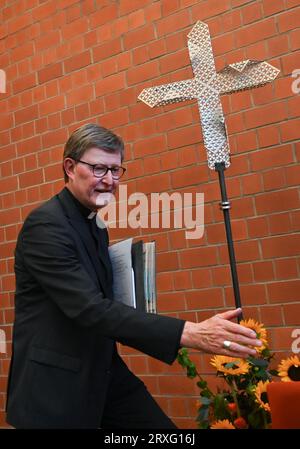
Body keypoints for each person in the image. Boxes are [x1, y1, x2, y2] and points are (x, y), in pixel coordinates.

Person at [6, 123, 262, 429]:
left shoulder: (95, 225)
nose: (110, 181)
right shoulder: (45, 226)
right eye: (100, 168)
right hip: (55, 387)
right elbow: (89, 308)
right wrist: (190, 333)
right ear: (70, 168)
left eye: (116, 171)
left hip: (103, 372)